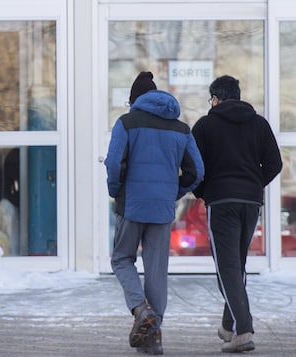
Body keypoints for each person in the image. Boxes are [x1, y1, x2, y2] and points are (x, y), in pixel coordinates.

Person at [105, 71, 204, 355]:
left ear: (135, 100)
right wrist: (172, 193)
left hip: (131, 205)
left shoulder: (126, 123)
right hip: (161, 209)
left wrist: (115, 191)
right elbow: (196, 172)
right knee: (157, 272)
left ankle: (140, 308)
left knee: (122, 259)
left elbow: (113, 163)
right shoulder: (181, 129)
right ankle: (153, 337)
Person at [191, 75, 282, 353]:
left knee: (227, 268)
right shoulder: (259, 123)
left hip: (221, 203)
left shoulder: (206, 125)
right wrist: (253, 185)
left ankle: (243, 330)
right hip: (250, 202)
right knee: (237, 264)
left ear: (216, 98)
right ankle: (228, 326)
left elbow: (193, 166)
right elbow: (275, 163)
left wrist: (205, 191)